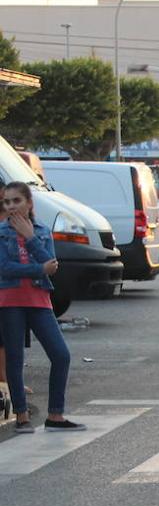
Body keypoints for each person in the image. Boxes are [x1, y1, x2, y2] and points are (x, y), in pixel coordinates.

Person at [0, 182, 84, 434]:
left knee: (61, 355)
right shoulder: (1, 232)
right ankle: (22, 415)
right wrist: (39, 269)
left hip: (39, 299)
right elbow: (5, 268)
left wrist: (30, 238)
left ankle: (55, 415)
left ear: (29, 203)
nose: (11, 206)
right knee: (15, 359)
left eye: (16, 200)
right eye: (6, 202)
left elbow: (52, 264)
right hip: (10, 300)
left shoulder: (42, 231)